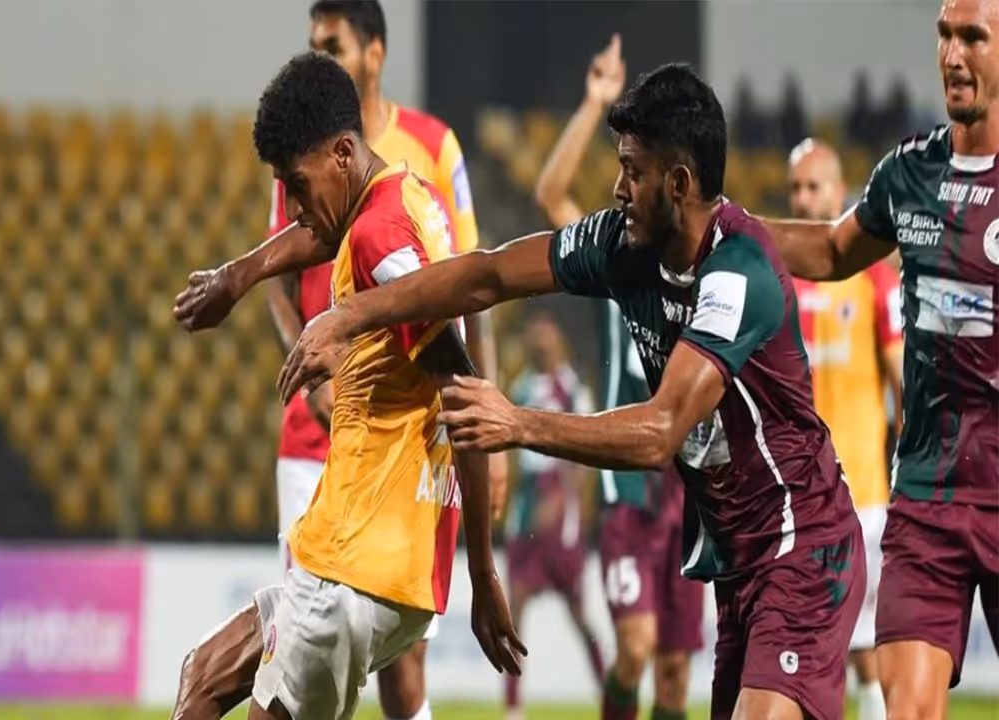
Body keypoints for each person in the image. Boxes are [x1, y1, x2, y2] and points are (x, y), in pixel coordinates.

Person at [279, 63, 867, 720]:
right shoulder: (622, 245)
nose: (616, 188)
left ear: (679, 184)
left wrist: (520, 423)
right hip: (738, 563)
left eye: (632, 171)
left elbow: (659, 431)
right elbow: (486, 275)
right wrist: (352, 315)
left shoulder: (738, 272)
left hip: (802, 546)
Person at [169, 52, 524, 720]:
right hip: (367, 564)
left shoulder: (378, 240)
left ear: (340, 153)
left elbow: (465, 395)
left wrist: (485, 573)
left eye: (297, 186)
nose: (295, 207)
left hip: (353, 569)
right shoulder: (402, 196)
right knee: (204, 678)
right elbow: (318, 237)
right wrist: (238, 277)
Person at [763, 1, 999, 717]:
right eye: (944, 37)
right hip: (926, 495)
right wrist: (723, 229)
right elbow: (834, 250)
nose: (953, 56)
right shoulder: (908, 173)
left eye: (974, 38)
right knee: (907, 705)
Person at [534, 36, 705, 720]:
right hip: (628, 486)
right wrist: (596, 103)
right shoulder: (620, 256)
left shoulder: (710, 271)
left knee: (673, 678)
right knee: (633, 649)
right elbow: (550, 193)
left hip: (688, 490)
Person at [784, 138, 904, 720]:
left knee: (862, 654)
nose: (803, 200)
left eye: (813, 187)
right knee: (814, 651)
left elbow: (904, 380)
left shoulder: (875, 278)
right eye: (796, 189)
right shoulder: (775, 277)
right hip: (797, 496)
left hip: (865, 495)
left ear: (838, 190)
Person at [502, 310, 605, 720]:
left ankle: (607, 692)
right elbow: (507, 453)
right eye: (534, 333)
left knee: (580, 615)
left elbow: (586, 457)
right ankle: (513, 708)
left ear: (557, 339)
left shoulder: (573, 390)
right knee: (513, 613)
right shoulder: (521, 387)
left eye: (545, 332)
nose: (538, 340)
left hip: (560, 516)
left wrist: (561, 500)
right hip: (526, 507)